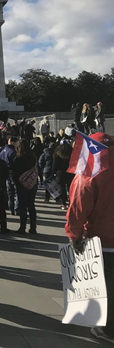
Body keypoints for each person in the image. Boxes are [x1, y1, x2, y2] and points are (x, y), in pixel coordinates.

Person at [65, 132, 114, 344]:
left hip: (102, 240)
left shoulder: (91, 171)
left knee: (106, 286)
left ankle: (107, 328)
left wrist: (73, 234)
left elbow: (78, 205)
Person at [12, 139, 39, 234]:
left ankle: (22, 227)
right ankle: (33, 227)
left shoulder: (18, 158)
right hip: (32, 183)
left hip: (21, 184)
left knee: (23, 206)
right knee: (31, 205)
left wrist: (15, 182)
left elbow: (14, 172)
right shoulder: (33, 156)